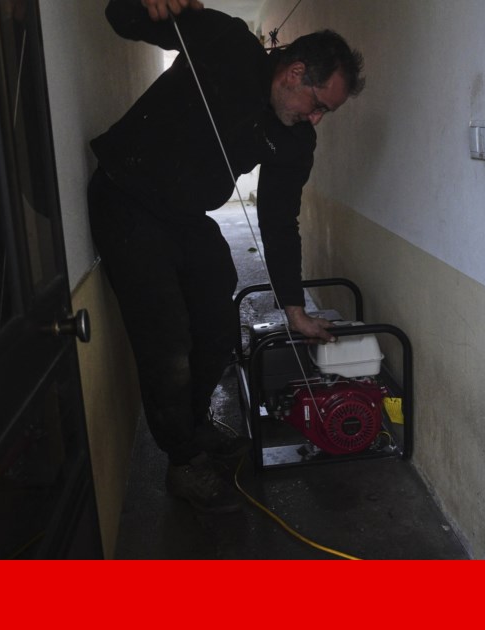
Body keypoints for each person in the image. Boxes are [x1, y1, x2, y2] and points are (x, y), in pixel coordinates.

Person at [87, 0, 365, 513]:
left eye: (327, 111)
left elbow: (280, 222)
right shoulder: (228, 43)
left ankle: (191, 429)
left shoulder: (295, 138)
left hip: (187, 217)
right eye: (318, 103)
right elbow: (120, 19)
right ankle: (182, 462)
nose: (317, 119)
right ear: (295, 72)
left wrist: (294, 308)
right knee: (167, 338)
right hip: (126, 198)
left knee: (218, 326)